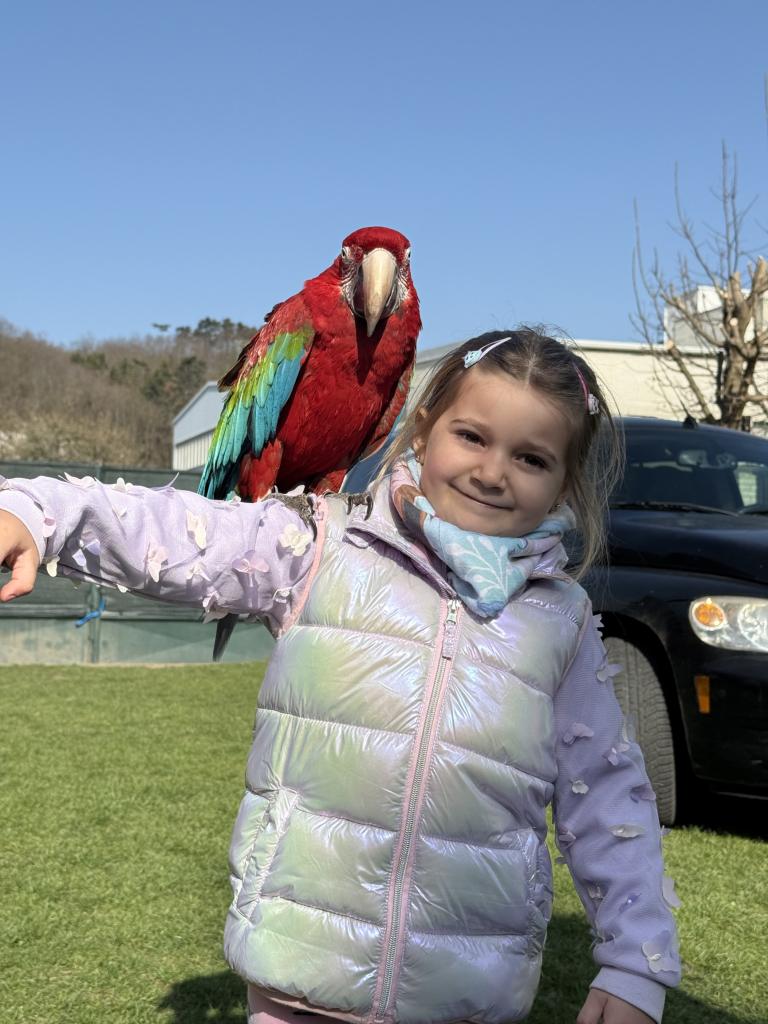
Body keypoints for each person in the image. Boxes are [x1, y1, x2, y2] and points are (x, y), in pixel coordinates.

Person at [0, 329, 681, 1024]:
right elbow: (184, 533)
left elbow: (610, 797)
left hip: (464, 994)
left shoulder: (561, 624)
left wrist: (637, 961)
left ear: (565, 480)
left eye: (531, 457)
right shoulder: (320, 544)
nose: (492, 471)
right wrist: (41, 512)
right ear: (424, 429)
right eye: (472, 437)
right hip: (298, 973)